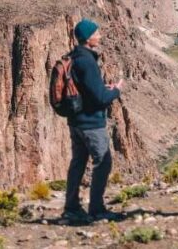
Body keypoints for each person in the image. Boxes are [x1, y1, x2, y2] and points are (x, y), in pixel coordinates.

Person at [63, 19, 123, 224]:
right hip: (91, 123)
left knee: (78, 162)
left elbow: (88, 90)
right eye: (97, 33)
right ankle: (97, 209)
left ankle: (71, 208)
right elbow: (100, 99)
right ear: (88, 38)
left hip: (76, 121)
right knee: (103, 162)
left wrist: (102, 88)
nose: (100, 35)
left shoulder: (75, 57)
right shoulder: (87, 61)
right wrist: (115, 90)